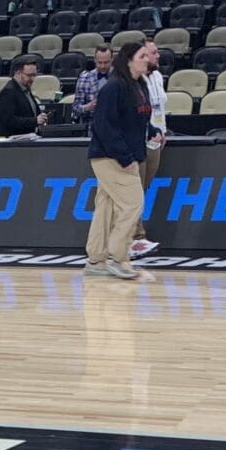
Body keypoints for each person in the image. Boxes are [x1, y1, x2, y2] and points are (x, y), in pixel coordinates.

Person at [85, 41, 153, 280]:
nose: (147, 59)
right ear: (129, 60)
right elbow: (103, 126)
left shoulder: (139, 85)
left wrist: (153, 129)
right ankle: (119, 257)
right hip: (110, 157)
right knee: (133, 204)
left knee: (106, 207)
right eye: (142, 55)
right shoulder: (113, 87)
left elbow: (136, 117)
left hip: (125, 154)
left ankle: (96, 259)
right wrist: (125, 157)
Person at [131, 36, 166, 259]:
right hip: (139, 140)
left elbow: (160, 107)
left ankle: (136, 236)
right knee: (134, 192)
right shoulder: (135, 81)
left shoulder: (158, 77)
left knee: (142, 190)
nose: (156, 56)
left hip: (156, 140)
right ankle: (135, 237)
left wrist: (163, 130)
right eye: (151, 53)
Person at [0, 56, 41, 136]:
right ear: (18, 73)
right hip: (11, 144)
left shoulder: (25, 89)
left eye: (34, 75)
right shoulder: (8, 92)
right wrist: (35, 121)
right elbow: (9, 120)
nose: (32, 79)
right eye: (29, 75)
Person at [72, 43, 112, 124]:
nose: (103, 66)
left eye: (106, 62)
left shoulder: (120, 77)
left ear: (112, 59)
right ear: (94, 60)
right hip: (91, 126)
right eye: (100, 62)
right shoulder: (84, 78)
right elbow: (75, 109)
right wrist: (87, 107)